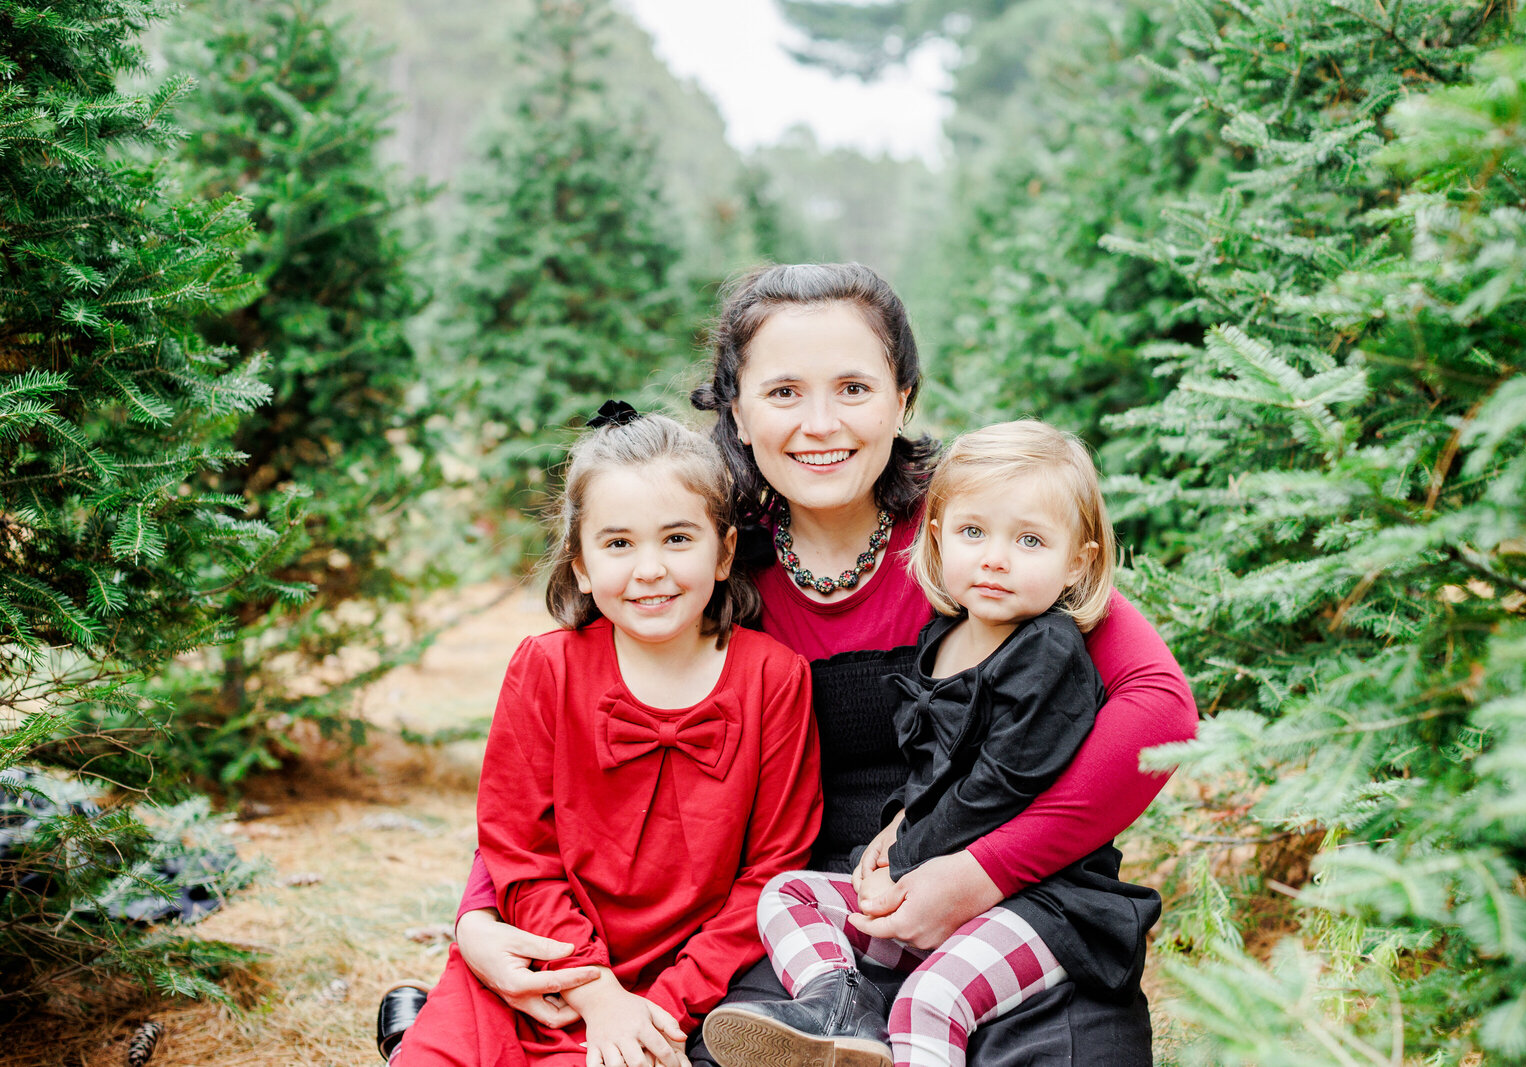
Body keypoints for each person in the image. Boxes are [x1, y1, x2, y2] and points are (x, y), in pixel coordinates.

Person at [381, 263, 1199, 1067]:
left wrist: (981, 872)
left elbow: (1161, 708)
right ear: (734, 409)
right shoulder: (701, 556)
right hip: (804, 921)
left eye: (853, 388)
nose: (820, 424)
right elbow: (558, 761)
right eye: (782, 393)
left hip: (1011, 884)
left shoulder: (970, 540)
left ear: (903, 398)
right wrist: (479, 918)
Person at [700, 421, 1161, 1067]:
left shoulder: (1049, 649)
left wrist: (908, 849)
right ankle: (837, 1005)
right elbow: (928, 771)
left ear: (1078, 561)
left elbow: (1001, 784)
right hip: (931, 881)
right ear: (939, 539)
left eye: (1030, 540)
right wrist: (892, 831)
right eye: (975, 534)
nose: (996, 557)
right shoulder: (943, 639)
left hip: (1042, 900)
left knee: (931, 998)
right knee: (790, 895)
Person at [389, 406, 822, 1067]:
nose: (649, 568)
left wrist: (663, 1005)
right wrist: (595, 989)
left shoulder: (774, 677)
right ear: (582, 564)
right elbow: (519, 851)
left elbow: (774, 869)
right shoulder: (546, 668)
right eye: (619, 544)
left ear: (725, 550)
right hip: (545, 968)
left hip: (684, 982)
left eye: (677, 538)